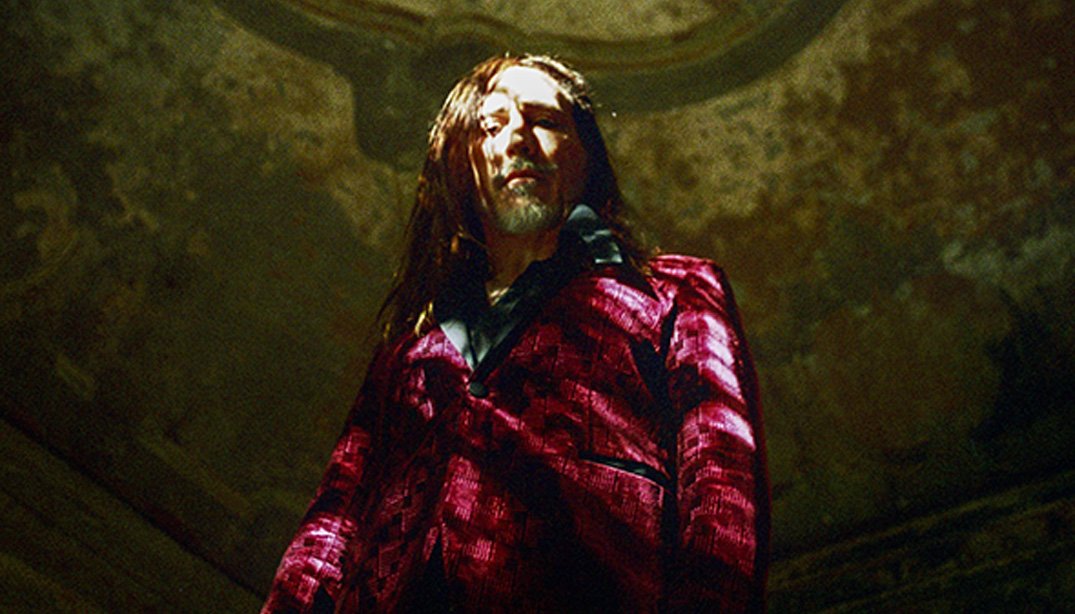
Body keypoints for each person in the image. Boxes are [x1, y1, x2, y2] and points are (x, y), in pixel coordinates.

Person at [262, 54, 768, 613]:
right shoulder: (407, 350)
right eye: (490, 126)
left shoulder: (677, 289)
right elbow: (330, 528)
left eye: (545, 121)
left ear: (587, 157)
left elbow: (721, 490)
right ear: (462, 166)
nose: (518, 139)